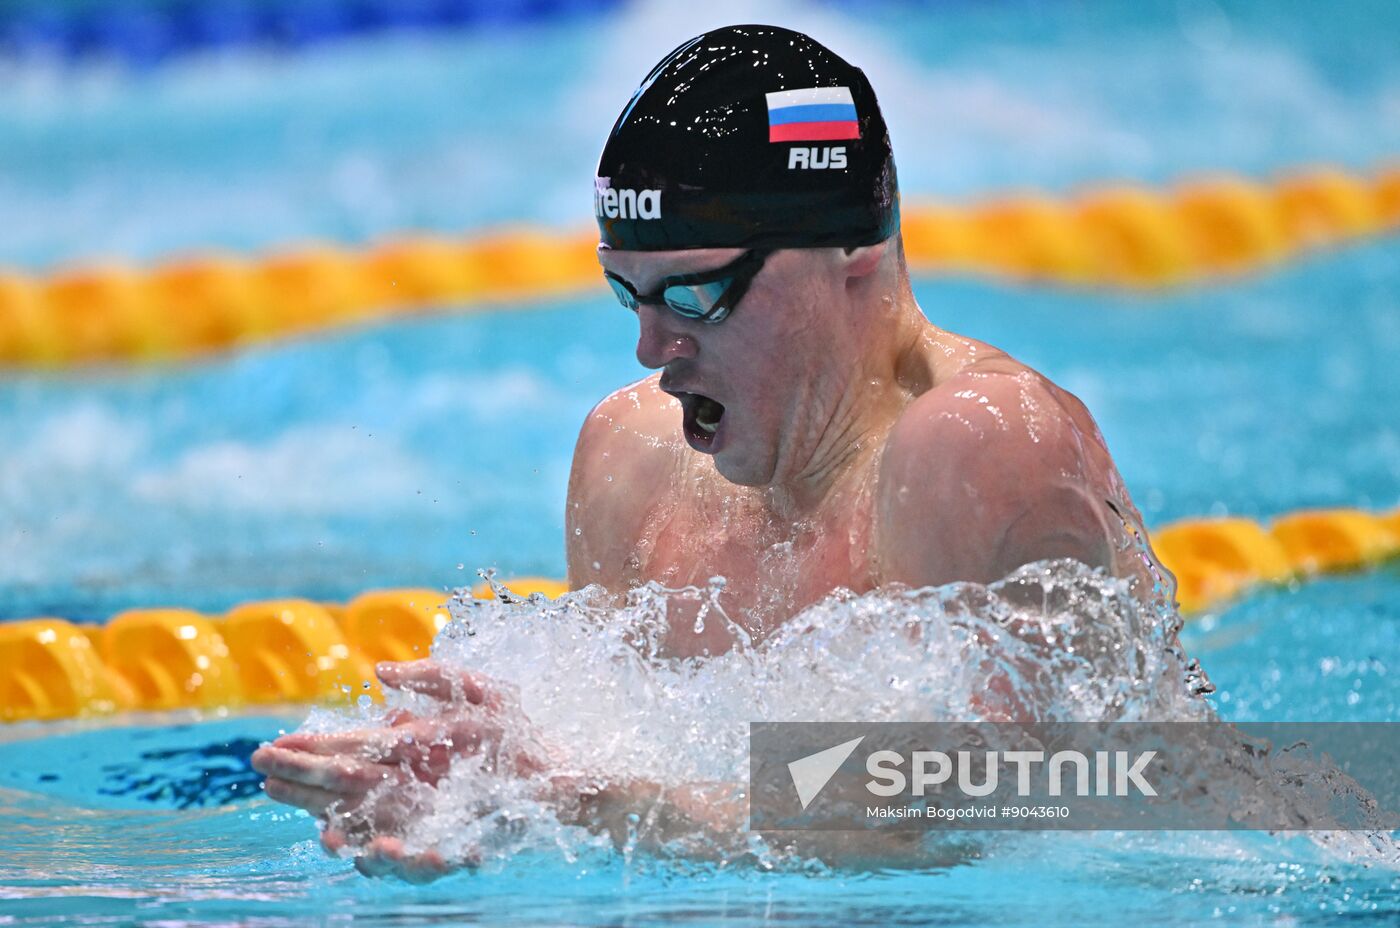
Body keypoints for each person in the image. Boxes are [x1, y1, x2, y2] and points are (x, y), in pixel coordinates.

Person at [252, 24, 1163, 881]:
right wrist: (496, 796)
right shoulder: (633, 459)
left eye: (695, 295)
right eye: (628, 293)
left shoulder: (977, 446)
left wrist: (596, 802)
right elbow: (657, 804)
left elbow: (1000, 817)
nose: (652, 350)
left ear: (850, 252)